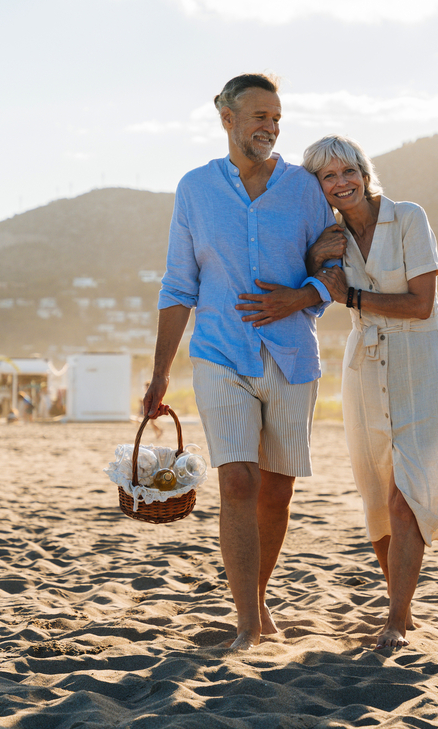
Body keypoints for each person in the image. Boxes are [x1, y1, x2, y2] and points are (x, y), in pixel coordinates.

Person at [143, 73, 336, 652]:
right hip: (221, 353)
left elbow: (335, 266)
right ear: (226, 117)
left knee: (277, 491)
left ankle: (258, 595)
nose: (271, 127)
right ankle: (247, 621)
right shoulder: (195, 189)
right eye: (259, 116)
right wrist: (158, 377)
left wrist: (299, 297)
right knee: (238, 482)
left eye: (277, 117)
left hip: (290, 354)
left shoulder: (305, 189)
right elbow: (180, 286)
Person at [303, 134, 438, 650]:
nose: (341, 182)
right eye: (327, 176)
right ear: (318, 186)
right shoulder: (329, 237)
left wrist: (353, 296)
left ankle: (394, 618)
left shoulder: (409, 218)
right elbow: (309, 286)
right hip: (364, 366)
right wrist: (315, 257)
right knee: (378, 497)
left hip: (419, 364)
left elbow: (420, 305)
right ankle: (400, 610)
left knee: (407, 494)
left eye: (348, 171)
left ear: (364, 172)